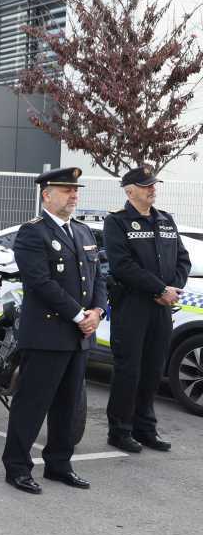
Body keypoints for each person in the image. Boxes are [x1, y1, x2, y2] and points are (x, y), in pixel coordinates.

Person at [2, 167, 107, 495]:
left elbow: (99, 277)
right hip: (47, 335)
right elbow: (40, 282)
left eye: (75, 190)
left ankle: (59, 464)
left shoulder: (83, 232)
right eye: (66, 190)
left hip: (79, 337)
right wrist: (79, 315)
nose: (73, 195)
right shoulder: (32, 233)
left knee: (68, 406)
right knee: (31, 404)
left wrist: (98, 311)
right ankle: (17, 467)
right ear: (46, 195)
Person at [104, 166, 190, 453]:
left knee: (153, 370)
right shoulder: (117, 222)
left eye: (154, 184)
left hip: (162, 308)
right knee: (128, 370)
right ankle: (120, 430)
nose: (153, 189)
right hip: (133, 306)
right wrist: (159, 289)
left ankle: (145, 428)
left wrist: (172, 289)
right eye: (146, 186)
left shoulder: (166, 220)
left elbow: (183, 259)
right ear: (130, 192)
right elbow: (122, 265)